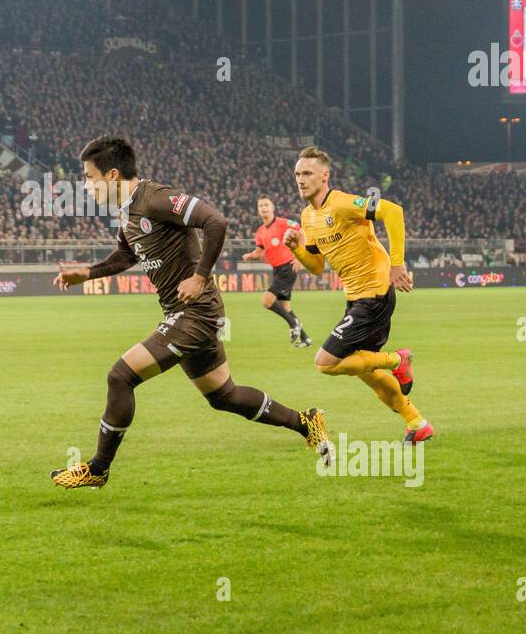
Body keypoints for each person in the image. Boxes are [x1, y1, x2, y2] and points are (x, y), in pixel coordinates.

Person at [50, 136, 331, 489]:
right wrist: (87, 273)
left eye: (89, 176)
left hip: (195, 313)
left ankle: (97, 469)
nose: (86, 185)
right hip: (185, 312)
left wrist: (200, 276)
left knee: (120, 377)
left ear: (112, 175)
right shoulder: (128, 213)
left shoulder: (156, 199)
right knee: (223, 396)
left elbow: (216, 222)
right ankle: (306, 422)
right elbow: (126, 256)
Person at [287, 146, 434, 443]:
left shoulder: (342, 203)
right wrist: (297, 249)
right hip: (356, 298)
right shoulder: (307, 217)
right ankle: (417, 424)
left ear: (325, 176)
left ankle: (397, 360)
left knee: (324, 362)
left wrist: (397, 263)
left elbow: (392, 211)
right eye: (297, 174)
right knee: (367, 372)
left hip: (374, 295)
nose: (300, 180)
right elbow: (316, 266)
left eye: (307, 173)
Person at [241, 196, 311, 347]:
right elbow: (259, 253)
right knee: (286, 308)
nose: (264, 208)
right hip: (277, 271)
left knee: (266, 301)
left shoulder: (282, 223)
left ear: (272, 207)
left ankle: (294, 325)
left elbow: (301, 231)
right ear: (258, 210)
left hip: (287, 268)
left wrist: (300, 257)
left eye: (266, 205)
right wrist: (250, 256)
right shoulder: (260, 231)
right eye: (261, 206)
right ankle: (305, 339)